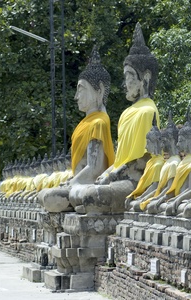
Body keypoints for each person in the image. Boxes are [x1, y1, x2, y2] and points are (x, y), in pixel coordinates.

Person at [73, 23, 161, 215]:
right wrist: (107, 173)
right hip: (119, 177)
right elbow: (121, 157)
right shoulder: (126, 114)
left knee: (90, 196)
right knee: (82, 194)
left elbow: (142, 159)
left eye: (129, 76)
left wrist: (113, 175)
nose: (125, 83)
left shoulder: (148, 111)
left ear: (145, 77)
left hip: (135, 180)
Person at [39, 45, 115, 213]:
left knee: (51, 198)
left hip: (90, 184)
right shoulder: (84, 125)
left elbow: (95, 169)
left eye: (81, 90)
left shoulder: (99, 123)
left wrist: (73, 183)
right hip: (79, 183)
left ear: (99, 91)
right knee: (43, 195)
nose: (76, 96)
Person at [146, 111, 191, 214]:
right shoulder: (181, 162)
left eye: (180, 141)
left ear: (188, 140)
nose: (178, 144)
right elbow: (170, 188)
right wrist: (163, 197)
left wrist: (177, 198)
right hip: (178, 200)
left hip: (185, 201)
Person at [134, 113, 181, 212]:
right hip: (160, 196)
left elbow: (169, 188)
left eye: (164, 141)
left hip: (167, 198)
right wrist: (144, 197)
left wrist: (158, 198)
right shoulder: (166, 162)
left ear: (172, 141)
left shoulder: (169, 163)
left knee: (144, 206)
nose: (162, 144)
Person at [125, 116, 164, 210]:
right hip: (146, 194)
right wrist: (134, 196)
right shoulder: (151, 161)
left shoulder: (158, 163)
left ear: (154, 143)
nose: (146, 147)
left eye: (148, 143)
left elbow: (155, 186)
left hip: (154, 195)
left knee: (136, 206)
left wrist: (143, 198)